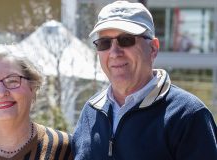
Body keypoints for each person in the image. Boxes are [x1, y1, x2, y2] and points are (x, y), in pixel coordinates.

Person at [72, 1, 217, 160]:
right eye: (104, 43)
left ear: (153, 48)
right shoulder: (90, 112)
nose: (114, 53)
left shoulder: (188, 115)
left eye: (126, 40)